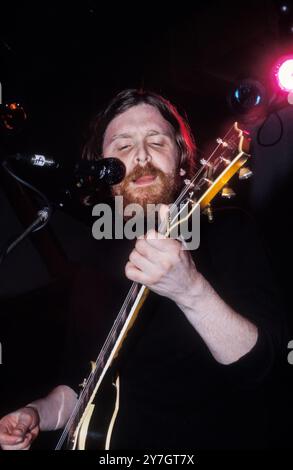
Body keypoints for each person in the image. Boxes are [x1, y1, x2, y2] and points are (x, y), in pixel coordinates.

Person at [0, 89, 284, 450]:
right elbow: (79, 383)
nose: (141, 155)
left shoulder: (227, 230)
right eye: (122, 146)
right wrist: (36, 413)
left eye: (156, 140)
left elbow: (265, 367)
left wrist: (189, 290)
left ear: (181, 159)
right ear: (103, 171)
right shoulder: (97, 255)